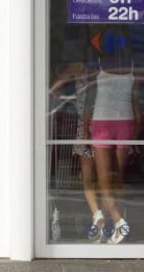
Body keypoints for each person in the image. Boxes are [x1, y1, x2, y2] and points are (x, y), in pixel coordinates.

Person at [87, 27, 142, 244]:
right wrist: (136, 135)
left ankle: (119, 222)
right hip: (125, 124)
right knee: (117, 178)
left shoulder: (98, 67)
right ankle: (116, 221)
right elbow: (137, 107)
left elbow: (90, 100)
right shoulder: (132, 68)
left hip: (102, 123)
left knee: (104, 182)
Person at [51, 61, 103, 243]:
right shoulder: (109, 70)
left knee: (87, 178)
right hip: (106, 124)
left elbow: (57, 85)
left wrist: (53, 92)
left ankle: (97, 214)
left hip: (86, 126)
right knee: (104, 177)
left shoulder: (79, 68)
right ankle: (107, 216)